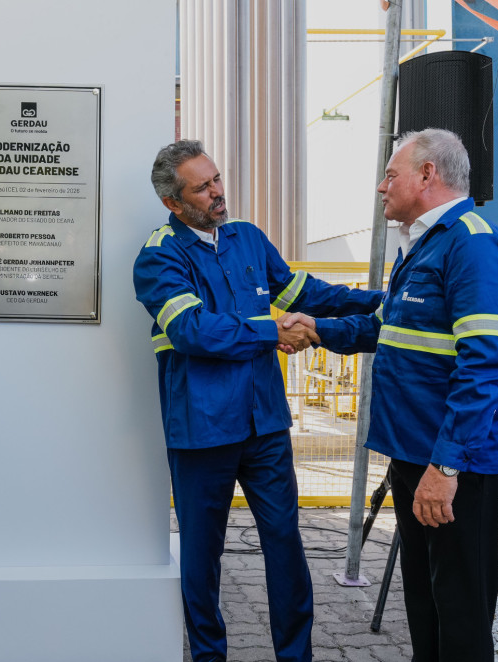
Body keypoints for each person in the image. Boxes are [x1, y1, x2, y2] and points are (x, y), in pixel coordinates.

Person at [133, 139, 382, 662]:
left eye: (217, 178)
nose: (218, 192)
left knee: (285, 544)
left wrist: (383, 301)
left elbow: (301, 295)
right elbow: (193, 332)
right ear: (173, 204)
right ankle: (209, 656)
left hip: (264, 423)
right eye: (202, 187)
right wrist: (272, 332)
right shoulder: (158, 257)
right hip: (202, 429)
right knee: (203, 556)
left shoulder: (248, 239)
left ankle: (296, 656)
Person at [282, 128, 498, 661]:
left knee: (459, 610)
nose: (381, 187)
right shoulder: (424, 246)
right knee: (425, 600)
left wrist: (446, 469)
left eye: (391, 175)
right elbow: (385, 328)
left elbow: (483, 368)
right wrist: (317, 328)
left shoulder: (473, 244)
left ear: (427, 175)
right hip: (417, 453)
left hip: (459, 464)